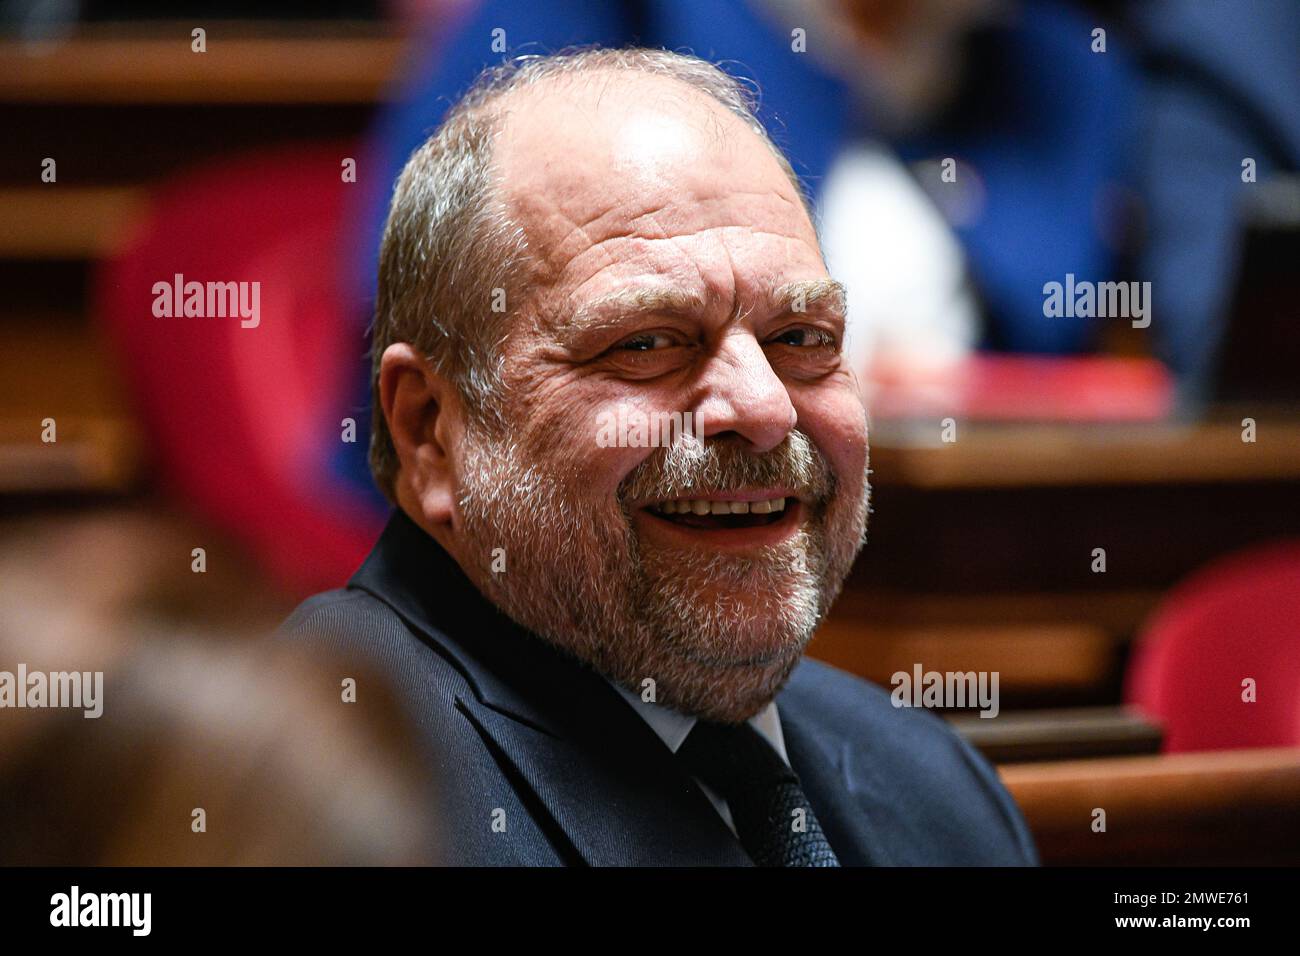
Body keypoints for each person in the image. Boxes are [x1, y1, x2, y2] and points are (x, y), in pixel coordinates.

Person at [282, 47, 1038, 866]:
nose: (763, 408)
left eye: (801, 338)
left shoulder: (938, 790)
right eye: (647, 343)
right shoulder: (300, 794)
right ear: (432, 429)